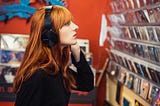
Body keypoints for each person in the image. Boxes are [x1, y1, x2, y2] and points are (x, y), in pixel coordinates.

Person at [13, 5, 94, 106]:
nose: (76, 27)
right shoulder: (38, 75)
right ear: (49, 34)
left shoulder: (56, 68)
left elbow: (87, 84)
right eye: (67, 24)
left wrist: (77, 53)